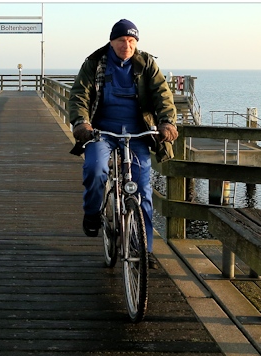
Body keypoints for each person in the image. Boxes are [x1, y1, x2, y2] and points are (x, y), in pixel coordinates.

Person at [67, 19, 178, 260]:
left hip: (138, 133)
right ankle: (92, 212)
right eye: (121, 41)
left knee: (143, 191)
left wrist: (167, 121)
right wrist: (81, 123)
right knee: (95, 169)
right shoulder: (95, 63)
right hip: (102, 132)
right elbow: (79, 96)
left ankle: (145, 249)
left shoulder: (147, 63)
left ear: (136, 43)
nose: (126, 45)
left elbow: (163, 95)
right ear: (111, 41)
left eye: (131, 41)